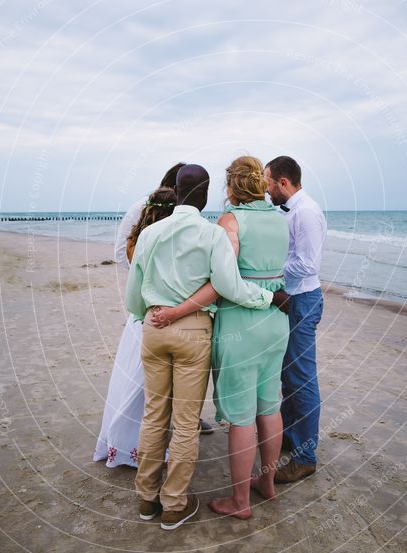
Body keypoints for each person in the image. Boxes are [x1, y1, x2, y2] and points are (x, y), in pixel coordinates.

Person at [126, 164, 289, 531]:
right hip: (193, 331)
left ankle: (146, 499)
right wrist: (268, 298)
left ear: (179, 192)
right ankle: (174, 504)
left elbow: (132, 292)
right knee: (185, 421)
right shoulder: (210, 234)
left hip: (154, 326)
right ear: (203, 196)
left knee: (154, 415)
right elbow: (228, 285)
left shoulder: (151, 233)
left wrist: (151, 315)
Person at [93, 186, 177, 468]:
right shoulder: (169, 240)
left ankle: (124, 442)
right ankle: (144, 446)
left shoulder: (136, 241)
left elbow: (134, 288)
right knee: (153, 388)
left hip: (137, 316)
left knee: (130, 382)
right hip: (158, 316)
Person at [264, 156, 327, 482]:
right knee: (289, 374)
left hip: (302, 300)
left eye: (269, 184)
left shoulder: (305, 212)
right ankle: (290, 435)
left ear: (283, 182)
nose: (267, 190)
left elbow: (308, 264)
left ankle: (305, 457)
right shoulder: (293, 210)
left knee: (302, 379)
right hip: (293, 299)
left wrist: (267, 273)